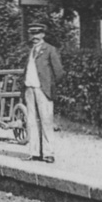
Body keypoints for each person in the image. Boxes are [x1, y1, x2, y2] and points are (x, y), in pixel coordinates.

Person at [22, 23, 64, 163]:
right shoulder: (31, 50)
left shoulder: (50, 50)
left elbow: (59, 72)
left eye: (37, 33)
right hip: (30, 88)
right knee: (31, 121)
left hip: (43, 89)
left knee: (46, 120)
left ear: (43, 35)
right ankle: (34, 152)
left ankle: (48, 153)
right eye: (32, 34)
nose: (34, 37)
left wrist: (50, 85)